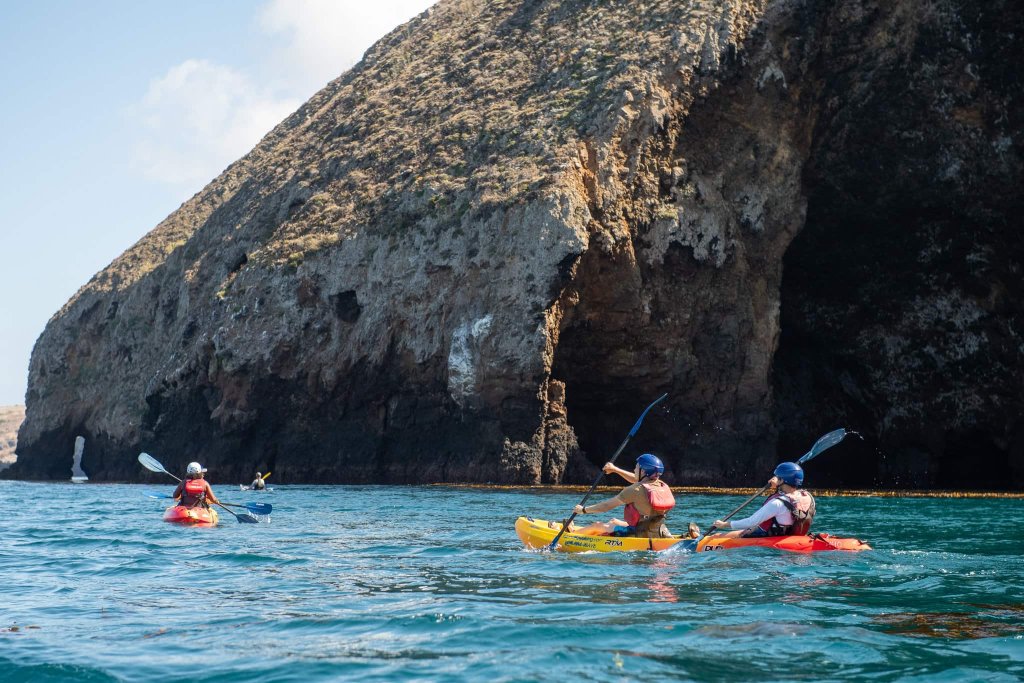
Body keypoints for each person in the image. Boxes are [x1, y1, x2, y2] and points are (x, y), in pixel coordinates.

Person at [570, 454, 678, 538]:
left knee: (597, 525)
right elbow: (637, 478)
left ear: (644, 471)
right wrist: (615, 469)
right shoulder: (661, 485)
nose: (634, 470)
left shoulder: (634, 490)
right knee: (613, 521)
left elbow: (606, 506)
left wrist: (583, 510)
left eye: (636, 467)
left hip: (638, 533)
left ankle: (571, 536)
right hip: (655, 530)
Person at [710, 461, 816, 538]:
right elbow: (789, 497)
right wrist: (779, 482)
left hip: (769, 535)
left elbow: (751, 522)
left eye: (777, 477)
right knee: (743, 530)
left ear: (782, 480)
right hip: (790, 534)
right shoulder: (808, 496)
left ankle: (706, 539)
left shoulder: (777, 503)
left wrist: (724, 524)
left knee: (719, 536)